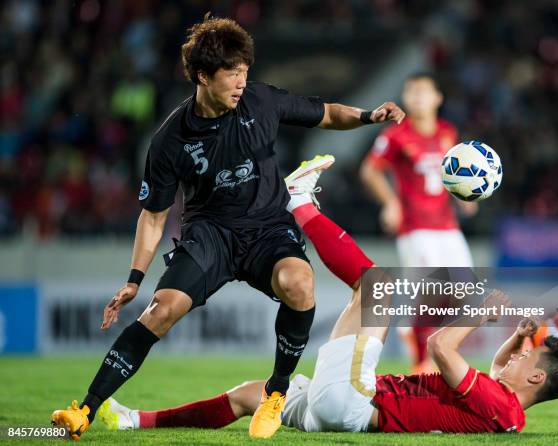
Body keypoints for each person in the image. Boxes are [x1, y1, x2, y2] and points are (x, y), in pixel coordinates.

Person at [50, 14, 405, 441]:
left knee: (300, 283)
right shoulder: (170, 140)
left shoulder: (262, 101)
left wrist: (369, 115)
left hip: (268, 229)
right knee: (161, 311)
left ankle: (275, 393)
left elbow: (327, 114)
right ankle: (84, 410)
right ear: (203, 75)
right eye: (232, 74)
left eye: (245, 73)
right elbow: (154, 215)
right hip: (210, 235)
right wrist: (134, 278)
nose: (241, 82)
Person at [98, 157, 558, 435]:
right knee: (250, 395)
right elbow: (497, 369)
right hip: (343, 407)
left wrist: (480, 316)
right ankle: (135, 421)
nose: (515, 354)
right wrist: (516, 334)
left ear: (536, 375)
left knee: (377, 286)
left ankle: (299, 202)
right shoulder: (502, 402)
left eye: (525, 354)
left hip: (357, 399)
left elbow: (439, 348)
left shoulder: (502, 407)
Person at [360, 72, 476, 373]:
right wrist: (390, 202)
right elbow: (370, 171)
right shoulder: (395, 134)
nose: (416, 97)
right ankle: (423, 358)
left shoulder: (448, 132)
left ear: (438, 98)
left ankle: (417, 334)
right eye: (410, 92)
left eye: (423, 91)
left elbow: (454, 173)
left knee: (467, 293)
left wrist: (465, 196)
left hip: (448, 226)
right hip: (416, 228)